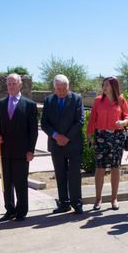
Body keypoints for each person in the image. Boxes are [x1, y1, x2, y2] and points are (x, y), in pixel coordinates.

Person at [0, 73, 38, 222]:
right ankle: (10, 209)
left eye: (14, 83)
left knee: (20, 182)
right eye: (9, 84)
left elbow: (33, 130)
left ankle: (21, 211)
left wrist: (31, 150)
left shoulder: (30, 105)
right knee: (6, 183)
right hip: (5, 149)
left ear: (20, 85)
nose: (11, 86)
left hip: (22, 151)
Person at [86, 76, 128, 211]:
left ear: (113, 86)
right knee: (100, 167)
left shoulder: (121, 100)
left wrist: (124, 122)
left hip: (117, 136)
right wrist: (89, 135)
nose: (104, 87)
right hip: (101, 136)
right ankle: (98, 199)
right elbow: (92, 118)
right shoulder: (98, 100)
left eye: (107, 84)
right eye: (103, 84)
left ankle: (114, 199)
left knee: (115, 167)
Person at [41, 74, 85, 214]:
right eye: (58, 88)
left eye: (63, 88)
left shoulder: (77, 99)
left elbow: (80, 121)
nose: (61, 91)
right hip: (56, 144)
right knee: (60, 174)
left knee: (74, 174)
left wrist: (66, 138)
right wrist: (56, 136)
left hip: (73, 144)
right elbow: (44, 123)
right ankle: (64, 203)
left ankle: (76, 202)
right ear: (54, 87)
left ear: (68, 86)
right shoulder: (48, 101)